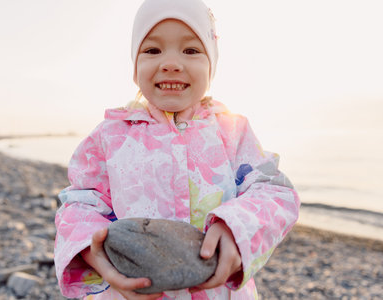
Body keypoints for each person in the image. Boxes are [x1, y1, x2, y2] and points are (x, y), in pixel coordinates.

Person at [54, 0, 300, 299]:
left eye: (191, 50)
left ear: (212, 65)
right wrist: (93, 253)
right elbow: (80, 204)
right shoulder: (112, 135)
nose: (171, 62)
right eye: (153, 50)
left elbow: (273, 190)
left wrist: (236, 228)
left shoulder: (230, 129)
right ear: (135, 67)